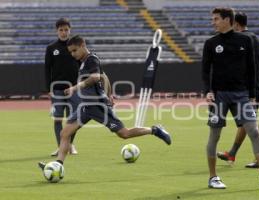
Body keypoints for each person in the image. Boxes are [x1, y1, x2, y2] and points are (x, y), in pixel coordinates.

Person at [39, 35, 171, 170]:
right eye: (71, 52)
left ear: (83, 46)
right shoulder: (83, 62)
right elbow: (104, 75)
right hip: (85, 107)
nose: (72, 54)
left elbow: (96, 77)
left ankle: (155, 130)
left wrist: (75, 87)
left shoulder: (92, 60)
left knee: (124, 133)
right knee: (65, 133)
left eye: (74, 51)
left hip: (97, 105)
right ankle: (57, 165)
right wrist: (109, 94)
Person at [202, 7, 259, 189]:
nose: (213, 22)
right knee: (215, 135)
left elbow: (252, 69)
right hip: (219, 95)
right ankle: (213, 177)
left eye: (216, 19)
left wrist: (252, 95)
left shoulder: (245, 40)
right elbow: (205, 70)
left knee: (253, 131)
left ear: (228, 20)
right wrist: (207, 91)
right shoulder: (210, 43)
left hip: (242, 95)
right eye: (212, 19)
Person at [216, 11, 259, 168]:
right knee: (251, 122)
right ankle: (254, 158)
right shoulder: (256, 39)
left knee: (248, 123)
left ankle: (234, 154)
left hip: (246, 88)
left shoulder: (243, 39)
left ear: (236, 24)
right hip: (255, 86)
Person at [45, 18, 80, 156]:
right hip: (57, 89)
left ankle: (70, 145)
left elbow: (81, 66)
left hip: (74, 89)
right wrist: (49, 89)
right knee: (58, 119)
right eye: (61, 30)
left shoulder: (76, 47)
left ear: (70, 30)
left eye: (66, 30)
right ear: (57, 31)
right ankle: (61, 147)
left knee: (74, 119)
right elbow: (47, 69)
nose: (64, 32)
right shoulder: (51, 48)